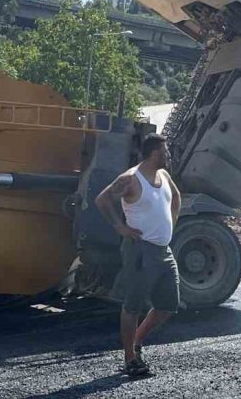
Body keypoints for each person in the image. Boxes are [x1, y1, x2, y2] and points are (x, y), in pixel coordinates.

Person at [95, 133, 181, 377]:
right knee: (133, 305)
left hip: (164, 250)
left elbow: (175, 196)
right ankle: (130, 359)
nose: (169, 156)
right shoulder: (130, 179)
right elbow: (102, 200)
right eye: (166, 152)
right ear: (154, 153)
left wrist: (171, 223)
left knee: (168, 305)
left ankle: (137, 342)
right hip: (140, 250)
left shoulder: (163, 175)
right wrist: (119, 227)